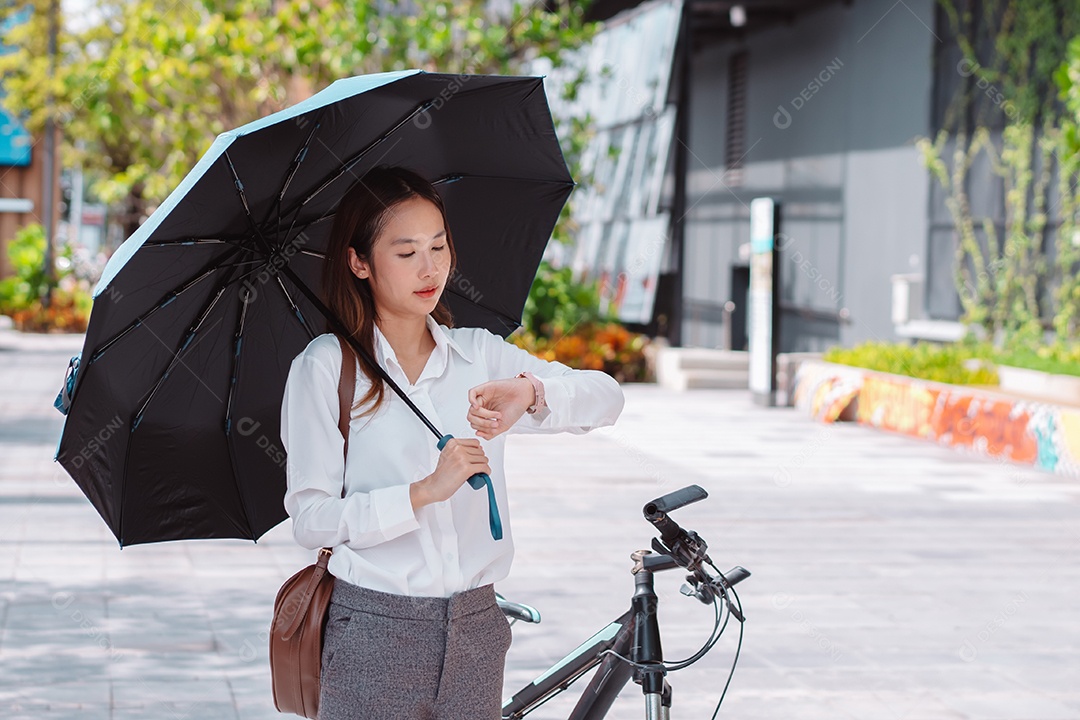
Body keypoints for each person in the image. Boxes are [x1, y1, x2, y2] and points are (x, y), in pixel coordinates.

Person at [279, 165, 625, 720]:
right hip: (373, 630)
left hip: (476, 629)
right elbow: (311, 519)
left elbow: (606, 397)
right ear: (359, 262)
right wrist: (422, 492)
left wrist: (528, 392)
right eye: (406, 251)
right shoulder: (325, 369)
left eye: (438, 246)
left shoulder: (481, 355)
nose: (430, 267)